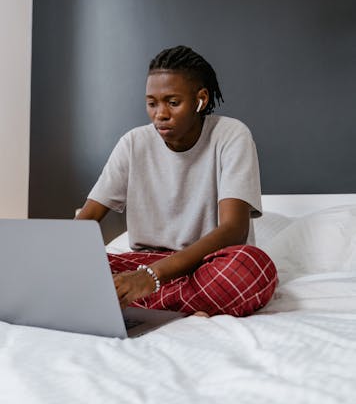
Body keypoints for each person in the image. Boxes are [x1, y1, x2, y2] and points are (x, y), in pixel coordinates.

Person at [76, 45, 277, 318]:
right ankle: (164, 302)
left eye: (172, 102)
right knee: (77, 267)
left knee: (252, 267)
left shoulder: (231, 136)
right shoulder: (134, 142)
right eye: (152, 103)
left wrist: (151, 279)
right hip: (145, 264)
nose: (160, 113)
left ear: (201, 100)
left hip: (205, 265)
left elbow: (234, 230)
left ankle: (120, 300)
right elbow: (87, 218)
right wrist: (58, 260)